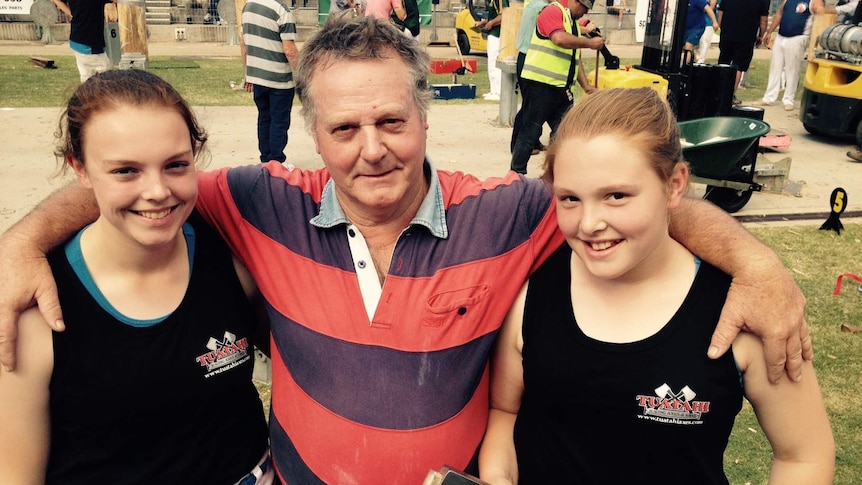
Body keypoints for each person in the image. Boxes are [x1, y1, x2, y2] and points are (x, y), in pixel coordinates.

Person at [0, 15, 812, 485]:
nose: (371, 148)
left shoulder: (512, 212)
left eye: (391, 121)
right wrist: (24, 238)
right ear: (313, 133)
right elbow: (142, 179)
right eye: (344, 128)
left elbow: (628, 191)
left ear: (426, 116)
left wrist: (758, 262)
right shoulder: (255, 201)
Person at [479, 88, 835, 485]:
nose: (589, 223)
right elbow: (505, 411)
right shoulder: (532, 295)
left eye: (616, 195)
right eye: (570, 198)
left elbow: (804, 455)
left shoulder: (745, 309)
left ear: (675, 185)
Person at [0, 69, 273, 484]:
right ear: (80, 168)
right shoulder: (35, 308)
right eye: (125, 171)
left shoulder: (233, 257)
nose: (157, 191)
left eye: (175, 165)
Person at [510, 0, 604, 175]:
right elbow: (559, 38)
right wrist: (590, 43)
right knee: (531, 131)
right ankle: (516, 175)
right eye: (583, 8)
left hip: (560, 88)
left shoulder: (572, 23)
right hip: (541, 84)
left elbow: (575, 58)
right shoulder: (552, 12)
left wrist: (586, 86)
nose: (584, 13)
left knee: (566, 132)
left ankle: (556, 174)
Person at [241, 0, 299, 164]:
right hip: (279, 79)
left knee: (264, 118)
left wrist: (248, 72)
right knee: (279, 121)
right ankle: (276, 161)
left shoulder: (248, 7)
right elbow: (289, 50)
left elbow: (244, 43)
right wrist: (303, 74)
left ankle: (265, 160)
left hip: (257, 76)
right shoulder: (282, 11)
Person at [753, 0, 812, 112]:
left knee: (792, 69)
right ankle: (769, 97)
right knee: (775, 67)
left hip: (798, 37)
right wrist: (770, 32)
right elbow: (780, 13)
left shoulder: (813, 1)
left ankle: (789, 99)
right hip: (781, 36)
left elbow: (820, 15)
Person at [716, 0, 769, 105]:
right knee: (738, 67)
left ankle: (718, 92)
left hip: (728, 34)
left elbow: (721, 13)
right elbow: (764, 20)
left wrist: (723, 29)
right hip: (746, 36)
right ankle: (729, 95)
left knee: (723, 63)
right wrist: (761, 36)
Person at [49, 0, 115, 83]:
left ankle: (85, 94)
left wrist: (71, 13)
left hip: (77, 39)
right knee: (106, 77)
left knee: (86, 76)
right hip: (89, 42)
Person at [475, 0, 508, 101]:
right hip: (492, 33)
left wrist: (492, 23)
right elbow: (493, 15)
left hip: (497, 34)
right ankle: (493, 89)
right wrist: (484, 22)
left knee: (495, 63)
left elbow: (504, 15)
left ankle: (498, 91)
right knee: (491, 63)